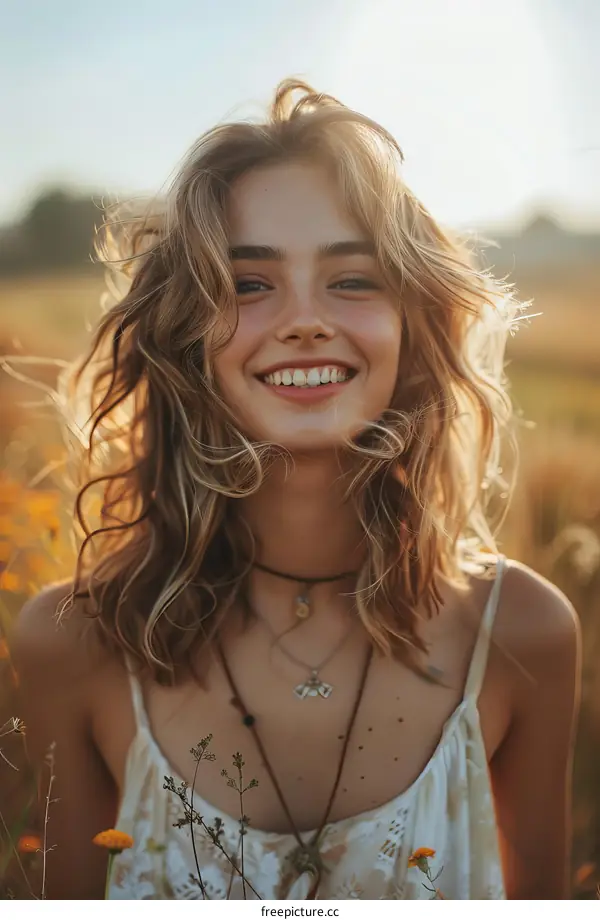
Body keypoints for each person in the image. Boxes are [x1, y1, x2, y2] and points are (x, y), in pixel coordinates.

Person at [13, 79, 580, 900]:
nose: (305, 320)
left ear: (412, 325)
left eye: (352, 280)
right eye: (248, 284)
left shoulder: (524, 634)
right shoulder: (73, 642)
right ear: (183, 334)